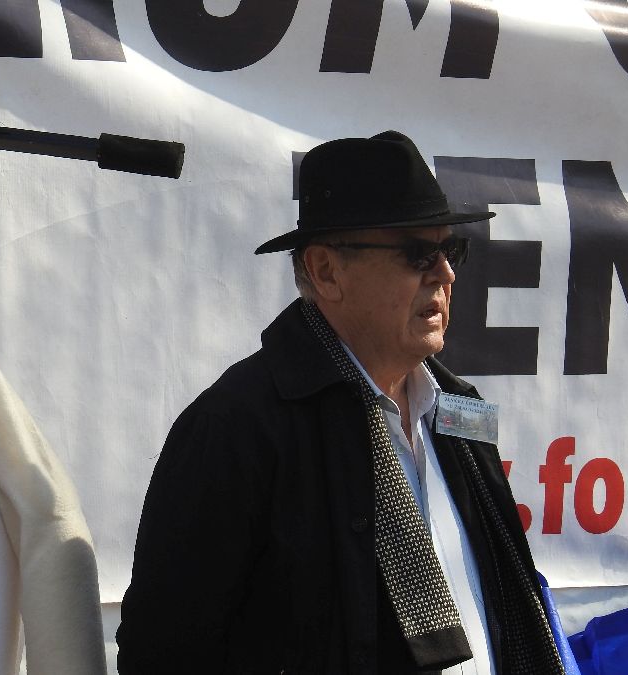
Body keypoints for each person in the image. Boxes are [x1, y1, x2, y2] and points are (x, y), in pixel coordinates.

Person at [116, 131, 565, 674]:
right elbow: (160, 655)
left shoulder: (459, 407)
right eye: (418, 254)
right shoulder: (236, 428)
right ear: (327, 271)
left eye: (450, 250)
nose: (445, 273)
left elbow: (505, 593)